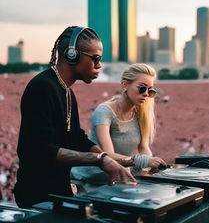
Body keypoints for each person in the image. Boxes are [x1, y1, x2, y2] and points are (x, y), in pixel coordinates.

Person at [14, 26, 135, 208]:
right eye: (95, 58)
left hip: (59, 191)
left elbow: (77, 138)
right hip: (38, 196)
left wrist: (114, 159)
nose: (99, 65)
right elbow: (42, 150)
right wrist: (100, 160)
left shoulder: (67, 92)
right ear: (71, 55)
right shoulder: (42, 88)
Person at [71, 63, 167, 185]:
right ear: (125, 85)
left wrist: (150, 165)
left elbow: (143, 148)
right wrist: (143, 161)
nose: (146, 94)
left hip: (120, 176)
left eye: (150, 90)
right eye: (142, 88)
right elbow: (108, 155)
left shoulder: (140, 114)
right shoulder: (104, 112)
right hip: (93, 178)